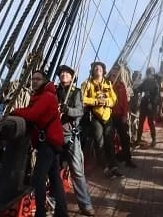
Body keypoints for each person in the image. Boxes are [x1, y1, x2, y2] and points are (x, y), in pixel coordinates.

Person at [11, 70, 68, 217]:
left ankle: (41, 213)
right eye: (33, 79)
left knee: (38, 177)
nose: (34, 81)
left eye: (38, 79)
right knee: (55, 177)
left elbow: (33, 114)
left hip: (49, 142)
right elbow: (32, 111)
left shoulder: (47, 97)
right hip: (52, 141)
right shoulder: (41, 96)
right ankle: (62, 212)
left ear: (44, 81)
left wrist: (15, 112)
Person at [56, 65, 94, 216]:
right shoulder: (54, 91)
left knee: (77, 171)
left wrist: (67, 110)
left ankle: (85, 205)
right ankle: (53, 198)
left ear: (72, 77)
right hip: (55, 134)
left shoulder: (76, 92)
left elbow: (79, 111)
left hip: (70, 136)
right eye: (61, 73)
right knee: (52, 168)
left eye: (67, 73)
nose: (64, 74)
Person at [81, 61, 121, 177]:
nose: (98, 69)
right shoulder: (87, 84)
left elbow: (114, 100)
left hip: (107, 117)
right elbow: (82, 98)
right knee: (100, 142)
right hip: (95, 116)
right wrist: (96, 101)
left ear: (103, 71)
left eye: (100, 68)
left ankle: (113, 165)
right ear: (92, 71)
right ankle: (104, 167)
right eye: (95, 68)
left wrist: (107, 102)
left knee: (109, 141)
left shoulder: (108, 84)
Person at [108, 63, 136, 168]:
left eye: (117, 71)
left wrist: (125, 115)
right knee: (109, 138)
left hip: (119, 115)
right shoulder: (107, 85)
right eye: (113, 71)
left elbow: (125, 102)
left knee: (125, 137)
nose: (115, 73)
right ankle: (111, 161)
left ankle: (128, 160)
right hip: (109, 115)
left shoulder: (121, 86)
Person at [134, 67, 160, 147]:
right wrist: (136, 90)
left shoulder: (156, 83)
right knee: (141, 122)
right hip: (144, 104)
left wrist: (152, 103)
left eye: (150, 74)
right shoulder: (145, 82)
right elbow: (140, 88)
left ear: (152, 74)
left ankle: (154, 139)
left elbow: (156, 96)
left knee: (150, 122)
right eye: (148, 73)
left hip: (151, 106)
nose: (148, 75)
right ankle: (138, 139)